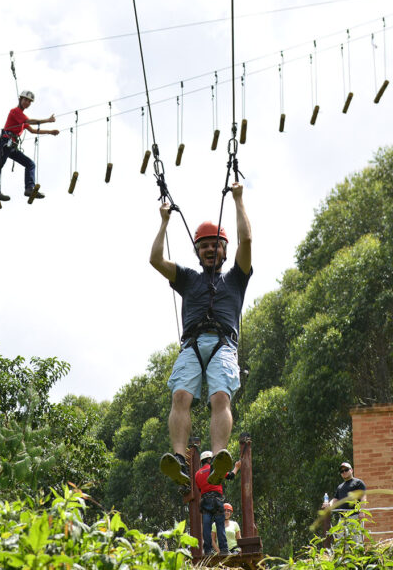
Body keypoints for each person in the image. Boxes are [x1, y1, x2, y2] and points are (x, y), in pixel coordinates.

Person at [150, 182, 252, 487]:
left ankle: (219, 456)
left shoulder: (236, 278)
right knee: (180, 396)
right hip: (192, 343)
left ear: (224, 250)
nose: (210, 249)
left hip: (223, 344)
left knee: (220, 397)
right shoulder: (188, 279)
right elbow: (156, 260)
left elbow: (246, 238)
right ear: (197, 251)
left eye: (215, 245)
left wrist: (238, 200)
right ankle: (179, 458)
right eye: (204, 245)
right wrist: (164, 221)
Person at [0, 90, 59, 202]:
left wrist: (50, 132)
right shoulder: (15, 111)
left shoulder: (22, 117)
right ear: (20, 99)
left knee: (30, 164)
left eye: (29, 101)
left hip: (12, 147)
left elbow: (33, 130)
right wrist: (48, 120)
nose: (27, 102)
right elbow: (30, 121)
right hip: (5, 143)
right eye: (25, 100)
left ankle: (29, 188)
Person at [195, 450, 241, 556]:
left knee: (206, 526)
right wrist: (237, 467)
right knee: (220, 525)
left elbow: (199, 489)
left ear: (202, 461)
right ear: (210, 459)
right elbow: (230, 476)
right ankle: (224, 550)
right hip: (217, 500)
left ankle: (207, 551)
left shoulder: (197, 474)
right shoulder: (215, 470)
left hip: (205, 501)